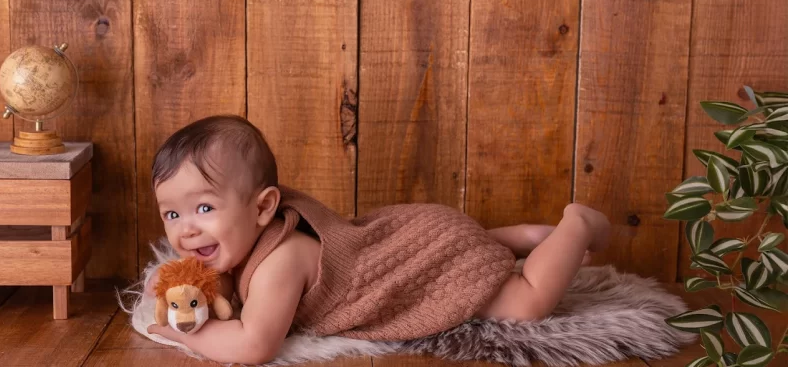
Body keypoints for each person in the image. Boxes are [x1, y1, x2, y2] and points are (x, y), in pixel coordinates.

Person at [144, 115, 610, 364]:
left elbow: (253, 345)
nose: (186, 228)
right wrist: (179, 290)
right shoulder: (246, 240)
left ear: (264, 207)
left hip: (425, 259)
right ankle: (525, 236)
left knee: (524, 303)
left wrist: (184, 330)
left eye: (204, 208)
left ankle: (576, 224)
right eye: (172, 213)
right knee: (465, 248)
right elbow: (215, 284)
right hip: (412, 236)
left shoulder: (279, 265)